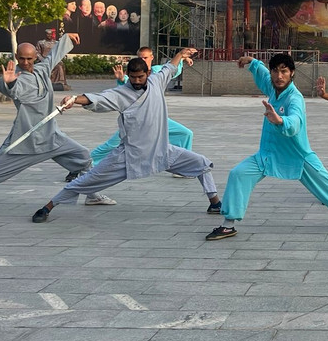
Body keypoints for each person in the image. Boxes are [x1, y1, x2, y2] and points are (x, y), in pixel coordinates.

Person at [31, 48, 218, 223]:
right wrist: (74, 99)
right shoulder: (121, 93)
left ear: (148, 74)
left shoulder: (157, 82)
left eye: (140, 77)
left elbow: (170, 67)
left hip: (161, 150)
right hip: (128, 156)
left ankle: (215, 203)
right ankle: (48, 207)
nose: (136, 81)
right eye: (133, 77)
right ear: (129, 75)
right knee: (86, 181)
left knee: (202, 164)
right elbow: (98, 98)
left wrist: (180, 53)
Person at [206, 53, 328, 241]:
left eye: (284, 71)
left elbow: (296, 121)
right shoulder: (273, 87)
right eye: (275, 71)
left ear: (292, 73)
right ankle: (228, 225)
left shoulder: (295, 98)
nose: (278, 76)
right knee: (238, 174)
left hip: (298, 156)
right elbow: (263, 74)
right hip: (268, 154)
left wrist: (280, 120)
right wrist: (251, 62)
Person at [0, 33, 112, 214]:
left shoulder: (42, 70)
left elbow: (54, 55)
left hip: (51, 136)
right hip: (26, 140)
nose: (25, 62)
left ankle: (92, 195)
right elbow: (12, 90)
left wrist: (67, 37)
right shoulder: (17, 78)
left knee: (83, 157)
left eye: (29, 58)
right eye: (22, 58)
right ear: (17, 57)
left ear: (35, 58)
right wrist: (8, 83)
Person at [89, 47, 195, 166]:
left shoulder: (157, 72)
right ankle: (86, 162)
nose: (143, 60)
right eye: (140, 58)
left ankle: (183, 165)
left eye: (145, 57)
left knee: (185, 133)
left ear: (151, 58)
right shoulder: (133, 76)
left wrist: (182, 58)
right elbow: (122, 93)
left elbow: (171, 67)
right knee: (113, 144)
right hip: (135, 119)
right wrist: (121, 79)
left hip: (156, 118)